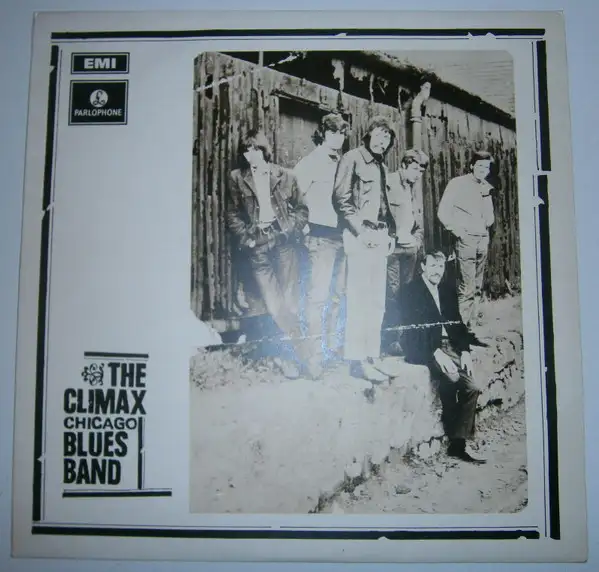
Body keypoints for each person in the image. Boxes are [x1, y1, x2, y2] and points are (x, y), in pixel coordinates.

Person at [225, 129, 321, 380]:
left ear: (264, 150)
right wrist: (246, 238)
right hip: (257, 246)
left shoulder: (285, 176)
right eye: (246, 151)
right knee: (275, 305)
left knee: (290, 302)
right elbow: (232, 213)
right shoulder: (237, 178)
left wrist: (289, 230)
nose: (251, 155)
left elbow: (302, 209)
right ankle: (303, 358)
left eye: (255, 149)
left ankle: (296, 357)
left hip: (283, 243)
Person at [400, 251, 486, 464]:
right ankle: (456, 444)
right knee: (453, 379)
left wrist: (465, 351)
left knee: (473, 387)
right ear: (423, 267)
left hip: (450, 346)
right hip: (424, 348)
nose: (437, 272)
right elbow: (413, 333)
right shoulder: (410, 292)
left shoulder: (447, 290)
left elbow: (458, 323)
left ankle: (458, 444)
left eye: (440, 267)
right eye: (432, 266)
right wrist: (436, 352)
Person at [332, 115, 397, 383]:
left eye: (387, 137)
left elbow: (383, 205)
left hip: (380, 235)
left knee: (377, 302)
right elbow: (341, 199)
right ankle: (357, 360)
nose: (383, 141)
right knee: (359, 300)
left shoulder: (381, 166)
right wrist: (361, 231)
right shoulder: (352, 158)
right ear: (369, 134)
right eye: (379, 134)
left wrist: (389, 234)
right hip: (360, 235)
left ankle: (372, 355)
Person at [293, 113, 350, 366]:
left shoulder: (344, 163)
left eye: (342, 133)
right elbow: (293, 197)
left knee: (338, 294)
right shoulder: (310, 162)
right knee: (318, 296)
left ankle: (332, 349)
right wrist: (304, 228)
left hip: (343, 237)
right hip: (320, 238)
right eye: (333, 132)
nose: (338, 137)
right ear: (323, 133)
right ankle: (314, 354)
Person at [437, 151, 495, 338]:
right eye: (479, 166)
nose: (483, 170)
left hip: (482, 238)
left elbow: (489, 218)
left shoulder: (486, 187)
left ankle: (470, 327)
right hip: (466, 240)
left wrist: (486, 201)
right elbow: (443, 212)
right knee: (466, 287)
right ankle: (459, 332)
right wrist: (459, 232)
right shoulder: (457, 184)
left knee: (477, 286)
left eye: (486, 167)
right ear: (471, 166)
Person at [383, 149, 430, 355]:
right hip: (392, 248)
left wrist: (417, 242)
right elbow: (380, 213)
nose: (417, 174)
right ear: (403, 165)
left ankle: (405, 339)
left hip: (410, 249)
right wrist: (388, 238)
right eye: (414, 169)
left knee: (407, 291)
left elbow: (418, 219)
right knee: (392, 293)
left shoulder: (415, 187)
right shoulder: (388, 182)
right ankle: (391, 340)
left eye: (421, 171)